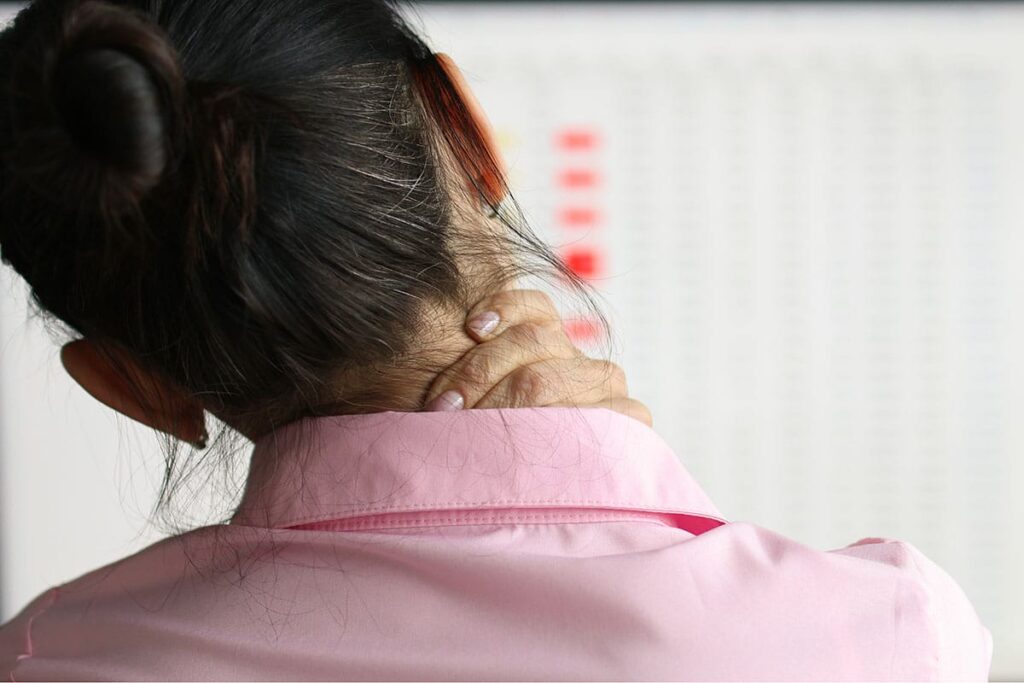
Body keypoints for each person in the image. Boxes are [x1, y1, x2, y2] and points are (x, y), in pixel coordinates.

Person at [0, 0, 992, 679]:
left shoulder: (53, 656)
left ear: (126, 382)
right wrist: (622, 478)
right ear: (465, 126)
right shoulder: (890, 638)